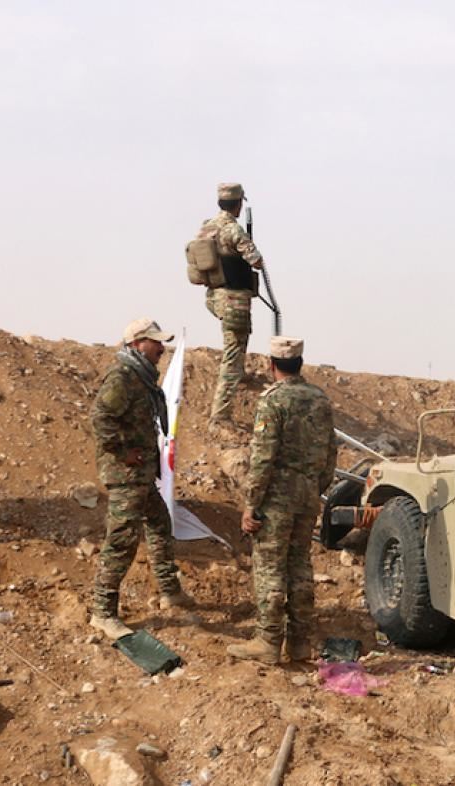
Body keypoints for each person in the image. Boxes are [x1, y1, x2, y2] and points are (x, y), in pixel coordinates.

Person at [228, 337, 337, 664]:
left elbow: (263, 458)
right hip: (308, 494)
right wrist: (314, 487)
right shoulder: (320, 400)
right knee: (299, 564)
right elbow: (331, 453)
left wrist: (251, 503)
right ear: (299, 364)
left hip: (277, 497)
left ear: (271, 365)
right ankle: (300, 643)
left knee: (270, 565)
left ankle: (268, 640)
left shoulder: (272, 401)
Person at [89, 318, 195, 640]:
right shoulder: (122, 376)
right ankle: (103, 612)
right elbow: (100, 418)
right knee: (122, 541)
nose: (161, 348)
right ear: (137, 344)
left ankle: (169, 590)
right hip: (126, 475)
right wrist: (123, 453)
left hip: (141, 474)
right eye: (155, 342)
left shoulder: (141, 376)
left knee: (160, 523)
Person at [199, 182, 265, 432]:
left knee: (235, 342)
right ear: (238, 204)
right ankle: (220, 416)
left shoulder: (206, 227)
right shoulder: (233, 230)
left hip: (214, 296)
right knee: (233, 353)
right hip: (234, 300)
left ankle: (239, 370)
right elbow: (256, 260)